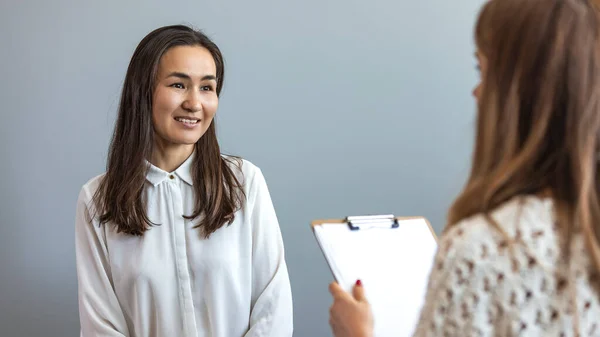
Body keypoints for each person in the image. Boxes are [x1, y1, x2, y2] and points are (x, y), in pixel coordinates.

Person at [328, 0, 600, 336]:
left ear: (517, 94)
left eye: (482, 71)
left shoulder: (483, 250)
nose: (476, 91)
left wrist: (358, 333)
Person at [74, 25, 293, 337]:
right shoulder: (97, 200)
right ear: (143, 91)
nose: (194, 103)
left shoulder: (245, 182)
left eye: (207, 88)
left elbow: (273, 309)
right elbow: (100, 326)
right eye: (178, 84)